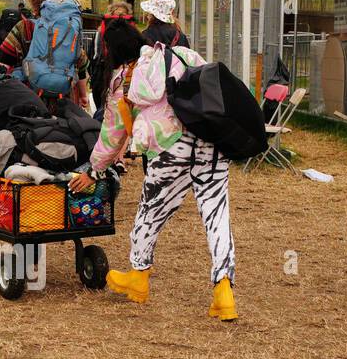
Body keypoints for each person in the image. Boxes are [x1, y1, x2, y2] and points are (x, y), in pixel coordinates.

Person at [69, 17, 238, 321]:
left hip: (170, 146)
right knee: (216, 213)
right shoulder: (179, 54)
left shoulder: (123, 81)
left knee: (150, 211)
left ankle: (139, 276)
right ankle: (223, 290)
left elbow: (112, 136)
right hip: (211, 141)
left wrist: (92, 171)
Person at [0, 0, 89, 105]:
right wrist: (83, 96)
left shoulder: (24, 27)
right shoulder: (68, 27)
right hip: (64, 97)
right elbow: (81, 63)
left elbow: (5, 62)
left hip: (29, 97)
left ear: (34, 4)